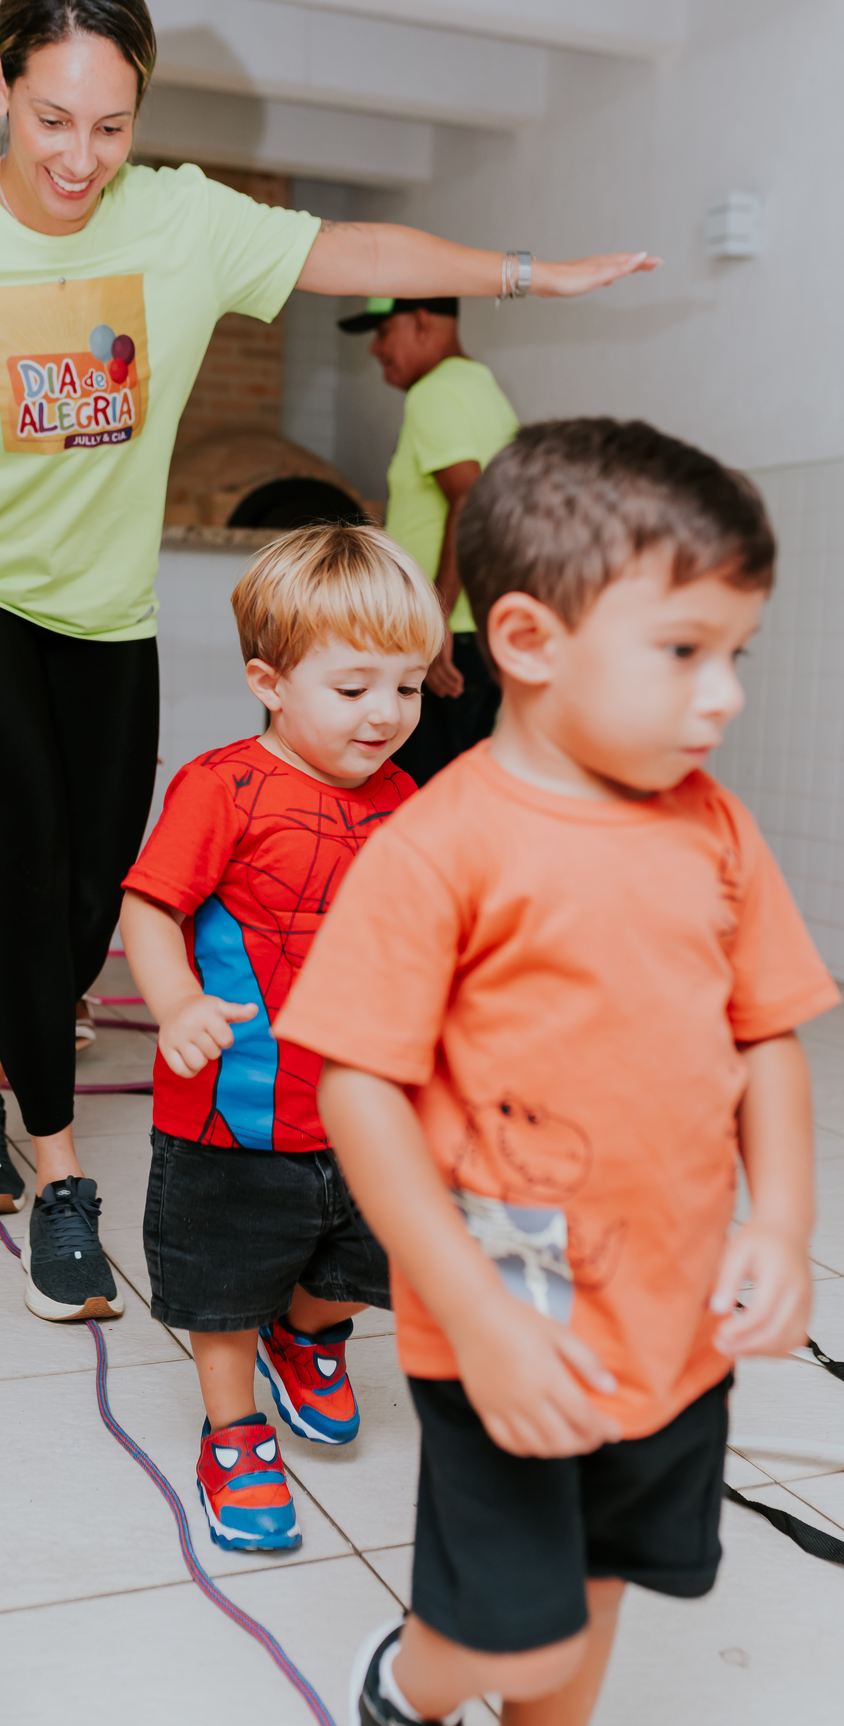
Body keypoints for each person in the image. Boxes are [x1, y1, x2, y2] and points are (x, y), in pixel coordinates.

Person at [0, 0, 657, 1325]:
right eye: (52, 118)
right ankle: (55, 1179)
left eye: (111, 126)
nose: (81, 156)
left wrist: (531, 270)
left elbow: (349, 254)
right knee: (26, 867)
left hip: (101, 608)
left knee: (97, 896)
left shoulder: (179, 223)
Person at [275, 420, 839, 1726]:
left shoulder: (717, 827)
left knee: (596, 1597)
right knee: (505, 1644)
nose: (725, 695)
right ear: (526, 642)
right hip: (506, 1302)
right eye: (684, 653)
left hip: (673, 1312)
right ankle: (405, 1683)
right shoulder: (440, 846)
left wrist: (788, 1220)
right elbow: (357, 1088)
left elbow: (767, 1037)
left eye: (734, 652)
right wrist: (469, 1307)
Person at [119, 524, 440, 1551]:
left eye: (409, 687)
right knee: (223, 1282)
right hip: (234, 1105)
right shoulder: (224, 788)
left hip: (366, 1104)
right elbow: (151, 908)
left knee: (371, 1254)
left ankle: (306, 1337)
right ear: (269, 680)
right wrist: (175, 1007)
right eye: (354, 690)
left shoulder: (404, 799)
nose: (387, 715)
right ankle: (236, 1429)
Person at [338, 295, 518, 784]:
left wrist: (433, 622)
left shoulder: (433, 393)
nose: (376, 349)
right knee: (466, 795)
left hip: (446, 638)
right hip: (477, 632)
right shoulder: (484, 389)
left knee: (416, 799)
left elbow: (469, 496)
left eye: (383, 333)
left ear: (420, 322)